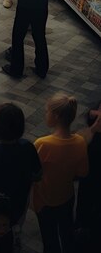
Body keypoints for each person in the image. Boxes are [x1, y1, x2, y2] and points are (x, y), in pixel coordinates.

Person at [33, 93, 88, 253]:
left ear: (56, 116)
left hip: (44, 201)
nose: (45, 115)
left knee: (49, 239)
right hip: (67, 197)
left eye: (47, 111)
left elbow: (34, 173)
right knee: (66, 233)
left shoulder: (42, 144)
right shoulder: (80, 142)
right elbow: (83, 173)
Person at [0, 103, 42, 243]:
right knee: (14, 226)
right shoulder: (28, 147)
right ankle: (13, 242)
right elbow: (38, 174)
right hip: (18, 201)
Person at [75, 104, 101, 252]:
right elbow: (88, 116)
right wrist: (92, 114)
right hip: (89, 177)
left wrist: (93, 128)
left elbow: (79, 142)